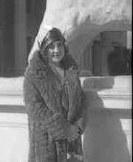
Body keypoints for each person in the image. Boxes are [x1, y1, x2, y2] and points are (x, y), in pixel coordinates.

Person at [23, 28, 87, 162]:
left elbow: (80, 101)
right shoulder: (34, 72)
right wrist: (65, 128)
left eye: (59, 45)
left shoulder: (71, 69)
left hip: (72, 143)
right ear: (44, 48)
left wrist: (78, 127)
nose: (56, 50)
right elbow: (34, 108)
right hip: (47, 141)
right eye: (51, 46)